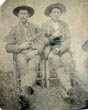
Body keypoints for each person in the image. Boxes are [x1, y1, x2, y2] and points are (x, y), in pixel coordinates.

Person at [5, 5, 44, 109]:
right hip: (21, 53)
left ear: (29, 15)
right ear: (18, 15)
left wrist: (36, 51)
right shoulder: (14, 29)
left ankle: (23, 96)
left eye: (25, 13)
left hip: (33, 53)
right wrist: (20, 46)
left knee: (32, 65)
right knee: (23, 66)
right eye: (21, 13)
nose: (23, 16)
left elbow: (42, 42)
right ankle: (27, 91)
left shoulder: (35, 27)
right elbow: (8, 47)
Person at [41, 3, 75, 101]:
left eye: (58, 12)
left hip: (62, 49)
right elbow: (43, 41)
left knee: (67, 61)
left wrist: (60, 49)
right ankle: (68, 87)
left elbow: (68, 39)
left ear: (60, 14)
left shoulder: (65, 25)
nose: (56, 14)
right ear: (50, 14)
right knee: (57, 62)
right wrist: (53, 37)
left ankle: (65, 90)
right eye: (54, 12)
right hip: (51, 50)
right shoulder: (45, 26)